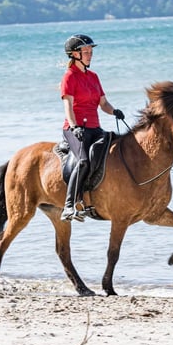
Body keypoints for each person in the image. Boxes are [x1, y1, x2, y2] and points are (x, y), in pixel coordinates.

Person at [60, 34, 124, 222]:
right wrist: (74, 127)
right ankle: (69, 206)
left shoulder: (94, 77)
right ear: (74, 54)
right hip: (75, 129)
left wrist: (114, 111)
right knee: (83, 162)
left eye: (91, 51)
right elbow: (68, 106)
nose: (90, 55)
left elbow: (103, 103)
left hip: (95, 128)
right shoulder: (69, 77)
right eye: (86, 52)